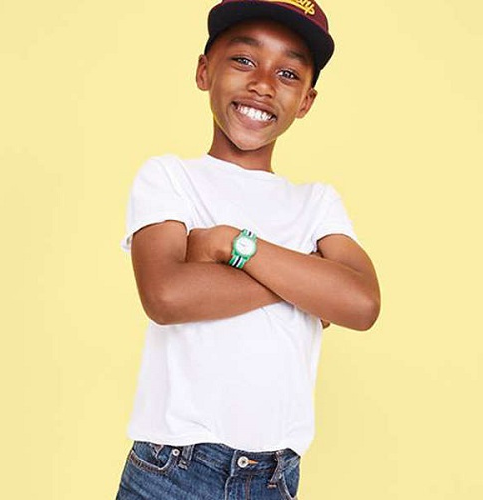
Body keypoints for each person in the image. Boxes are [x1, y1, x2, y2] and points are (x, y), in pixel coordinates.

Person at [115, 1, 381, 498]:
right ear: (203, 70)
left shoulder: (317, 202)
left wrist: (230, 244)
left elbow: (361, 304)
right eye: (243, 60)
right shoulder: (170, 177)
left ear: (306, 100)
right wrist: (308, 283)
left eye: (287, 72)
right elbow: (167, 296)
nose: (262, 82)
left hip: (275, 476)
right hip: (173, 468)